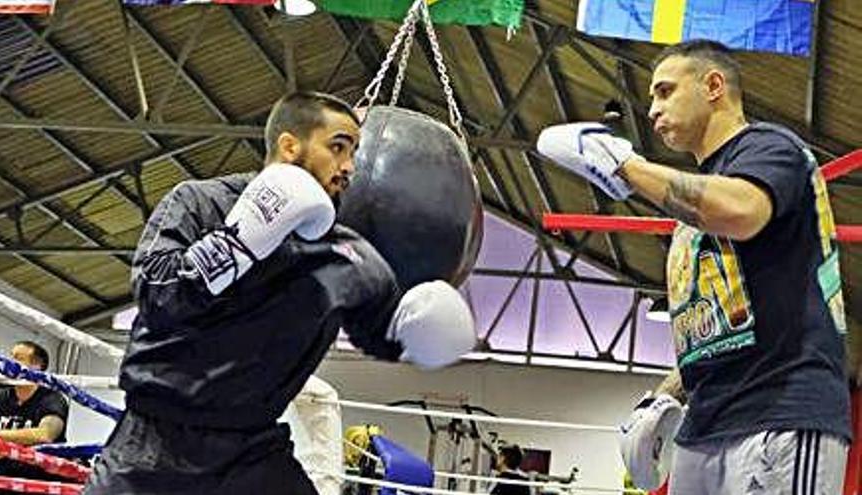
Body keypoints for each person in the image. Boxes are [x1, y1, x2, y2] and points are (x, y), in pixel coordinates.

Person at [82, 91, 477, 495]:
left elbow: (380, 331)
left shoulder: (348, 253)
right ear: (290, 146)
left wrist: (422, 334)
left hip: (252, 450)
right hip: (155, 444)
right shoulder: (202, 202)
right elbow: (155, 294)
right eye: (338, 147)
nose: (349, 167)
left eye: (354, 152)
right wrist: (238, 241)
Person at [537, 40, 850, 494]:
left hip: (781, 414)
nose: (651, 110)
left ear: (714, 86)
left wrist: (623, 165)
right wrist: (664, 394)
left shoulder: (771, 148)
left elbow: (741, 212)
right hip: (704, 426)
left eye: (664, 92)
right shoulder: (693, 217)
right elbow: (720, 333)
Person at [0, 341, 69, 493]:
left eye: (17, 359)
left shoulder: (52, 399)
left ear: (36, 366)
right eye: (10, 358)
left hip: (35, 482)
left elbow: (45, 434)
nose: (10, 364)